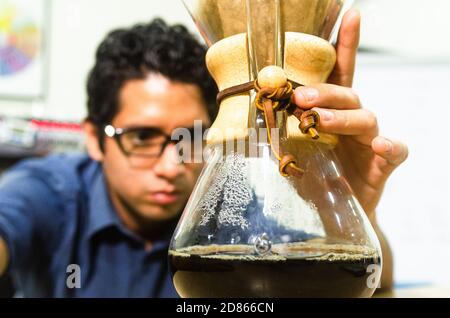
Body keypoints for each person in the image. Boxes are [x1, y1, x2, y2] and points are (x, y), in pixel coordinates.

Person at [0, 12, 408, 297]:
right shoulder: (48, 194)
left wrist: (348, 208)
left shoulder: (231, 208)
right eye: (141, 137)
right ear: (93, 138)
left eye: (190, 137)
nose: (171, 165)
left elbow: (373, 280)